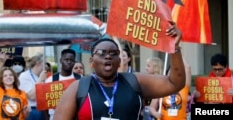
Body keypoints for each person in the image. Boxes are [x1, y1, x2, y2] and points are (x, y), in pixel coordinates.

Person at [53, 24, 186, 120]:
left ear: (119, 60)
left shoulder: (134, 81)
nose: (108, 56)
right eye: (101, 53)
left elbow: (175, 83)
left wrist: (174, 48)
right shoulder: (79, 87)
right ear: (92, 61)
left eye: (113, 53)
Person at [45, 48, 81, 120]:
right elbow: (44, 105)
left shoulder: (80, 79)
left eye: (71, 60)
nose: (69, 62)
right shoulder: (50, 80)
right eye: (66, 59)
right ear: (61, 60)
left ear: (74, 62)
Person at [18, 53, 48, 120]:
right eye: (44, 63)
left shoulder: (40, 76)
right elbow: (31, 96)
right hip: (32, 110)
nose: (46, 66)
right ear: (38, 63)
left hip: (42, 110)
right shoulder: (24, 76)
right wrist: (40, 80)